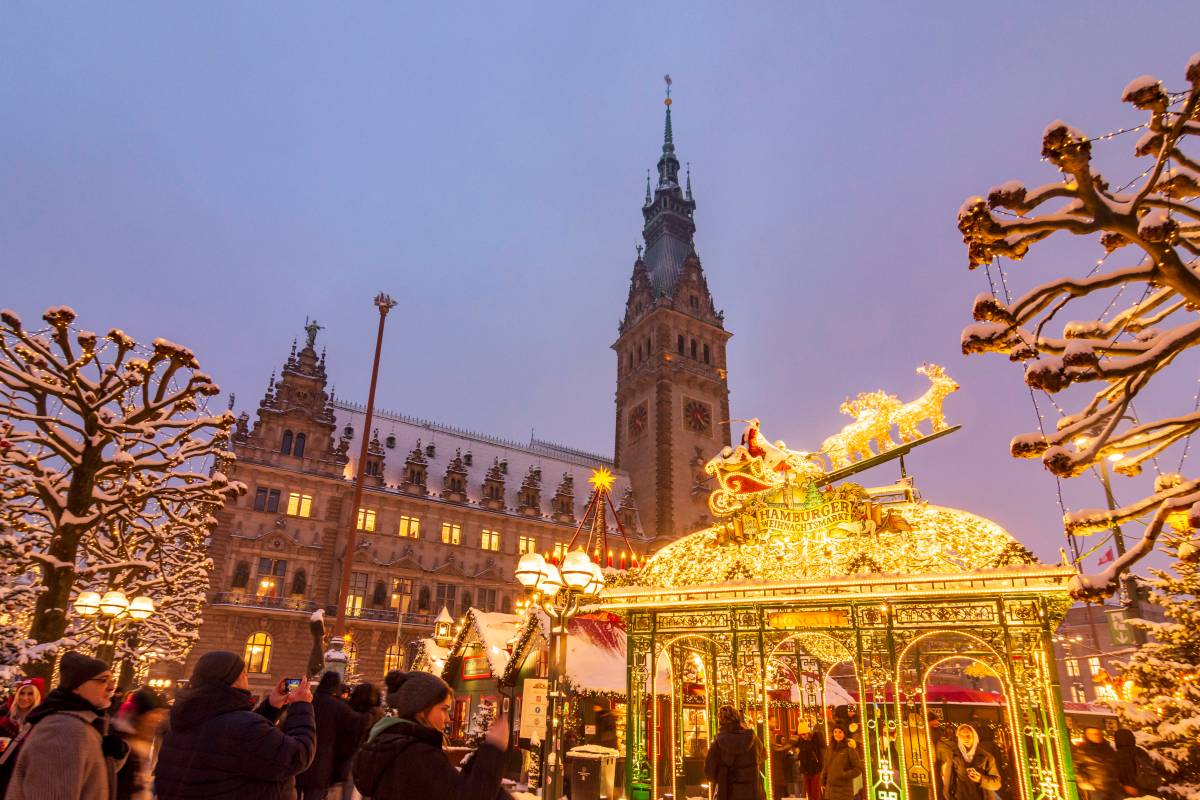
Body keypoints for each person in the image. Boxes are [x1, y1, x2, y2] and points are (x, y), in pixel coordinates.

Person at [153, 651, 316, 800]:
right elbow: (298, 755)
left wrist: (271, 707)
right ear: (232, 679)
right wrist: (301, 706)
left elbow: (233, 744)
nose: (247, 677)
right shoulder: (243, 728)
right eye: (244, 673)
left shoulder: (184, 720)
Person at [352, 670, 512, 800]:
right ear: (421, 709)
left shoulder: (395, 745)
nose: (448, 719)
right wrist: (494, 749)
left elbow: (450, 789)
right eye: (444, 709)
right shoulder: (416, 753)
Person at [3, 651, 128, 800]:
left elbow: (87, 779)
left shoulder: (83, 723)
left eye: (112, 680)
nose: (111, 687)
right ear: (77, 686)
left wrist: (112, 756)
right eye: (103, 680)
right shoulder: (62, 729)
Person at [295, 672, 366, 800]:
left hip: (300, 758)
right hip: (321, 764)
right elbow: (359, 723)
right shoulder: (337, 706)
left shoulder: (309, 700)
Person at [113, 687, 168, 800]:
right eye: (154, 715)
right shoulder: (123, 747)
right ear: (141, 716)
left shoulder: (143, 743)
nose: (158, 721)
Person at [704, 705, 766, 800]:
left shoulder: (718, 743)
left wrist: (723, 776)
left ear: (720, 720)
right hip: (753, 792)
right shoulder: (753, 738)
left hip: (728, 793)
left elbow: (710, 773)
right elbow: (764, 755)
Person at [945, 724, 1001, 800]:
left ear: (974, 737)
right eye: (962, 736)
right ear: (958, 737)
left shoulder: (986, 757)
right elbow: (948, 785)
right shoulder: (953, 755)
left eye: (968, 735)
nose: (966, 738)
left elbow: (996, 784)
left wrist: (981, 779)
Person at [1073, 727, 1123, 800]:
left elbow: (1116, 764)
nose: (1096, 736)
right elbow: (1075, 767)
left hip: (1113, 786)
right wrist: (1083, 781)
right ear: (1087, 735)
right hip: (1096, 788)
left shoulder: (1108, 748)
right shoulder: (1082, 750)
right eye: (1092, 734)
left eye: (1098, 733)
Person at [1113, 729, 1159, 798]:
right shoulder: (1141, 751)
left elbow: (1118, 774)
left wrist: (1124, 786)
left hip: (1131, 790)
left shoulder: (1119, 755)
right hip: (1148, 787)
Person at [820, 725, 862, 800]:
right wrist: (822, 781)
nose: (837, 734)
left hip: (844, 791)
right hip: (830, 791)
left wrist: (844, 774)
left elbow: (858, 769)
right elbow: (825, 766)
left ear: (844, 734)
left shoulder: (849, 749)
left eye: (840, 732)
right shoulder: (830, 749)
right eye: (835, 732)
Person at [793, 722, 824, 800]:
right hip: (806, 769)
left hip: (815, 768)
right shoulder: (800, 741)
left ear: (808, 732)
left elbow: (822, 745)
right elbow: (799, 754)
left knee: (815, 792)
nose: (803, 736)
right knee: (809, 792)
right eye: (801, 735)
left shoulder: (815, 738)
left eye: (805, 734)